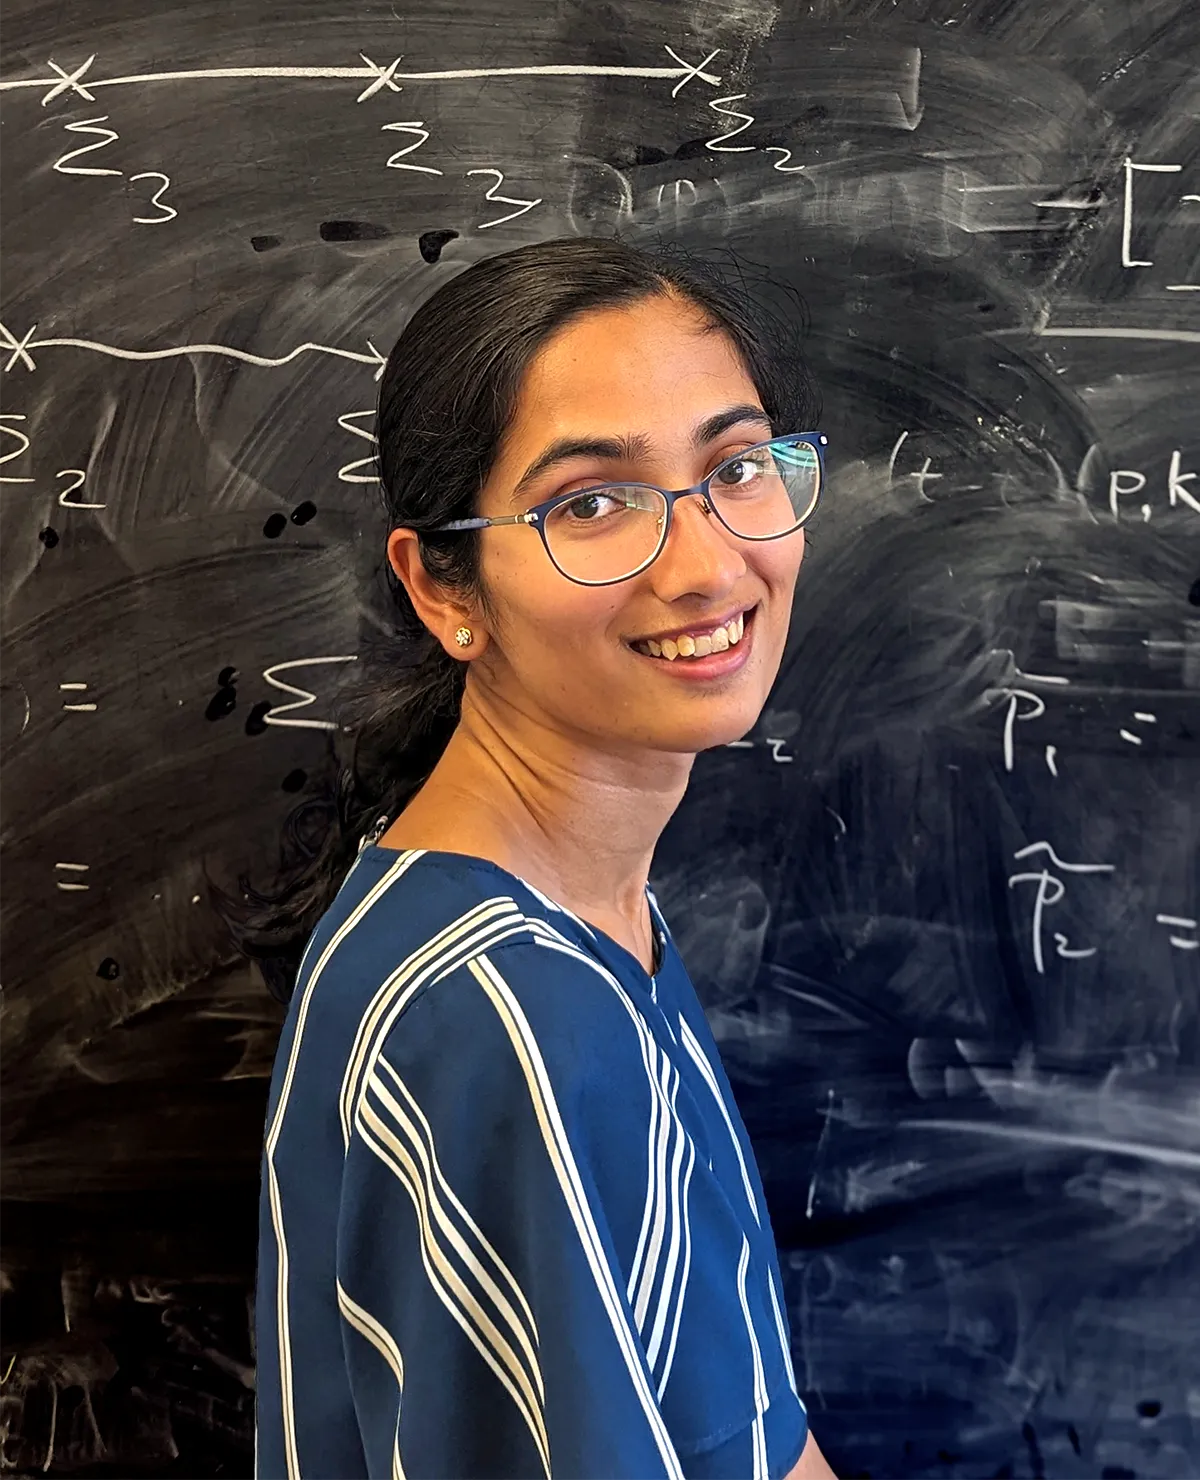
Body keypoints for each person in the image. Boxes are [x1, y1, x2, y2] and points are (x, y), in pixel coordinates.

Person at [250, 236, 838, 1479]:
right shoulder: (502, 1016)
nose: (707, 565)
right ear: (443, 587)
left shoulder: (577, 922)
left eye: (736, 467)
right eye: (590, 502)